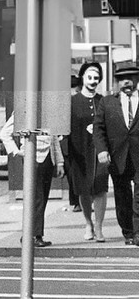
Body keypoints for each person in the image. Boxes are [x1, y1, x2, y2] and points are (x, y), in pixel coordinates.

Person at [1, 109, 64, 247]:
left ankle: (32, 234)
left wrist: (59, 162)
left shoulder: (49, 109)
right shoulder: (23, 109)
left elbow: (54, 138)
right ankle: (34, 235)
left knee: (42, 198)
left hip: (48, 158)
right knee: (37, 198)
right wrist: (16, 151)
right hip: (33, 158)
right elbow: (5, 132)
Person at [96, 61, 139, 245]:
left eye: (130, 78)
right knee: (122, 197)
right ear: (117, 82)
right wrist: (102, 150)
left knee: (138, 197)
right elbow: (99, 129)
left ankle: (138, 233)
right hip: (117, 157)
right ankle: (128, 232)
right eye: (122, 79)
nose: (126, 82)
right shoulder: (107, 102)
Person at [68, 61, 111, 240]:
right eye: (89, 77)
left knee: (100, 188)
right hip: (79, 151)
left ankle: (99, 227)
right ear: (83, 78)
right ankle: (88, 223)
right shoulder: (72, 101)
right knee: (84, 190)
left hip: (100, 151)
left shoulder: (104, 101)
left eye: (96, 78)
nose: (93, 81)